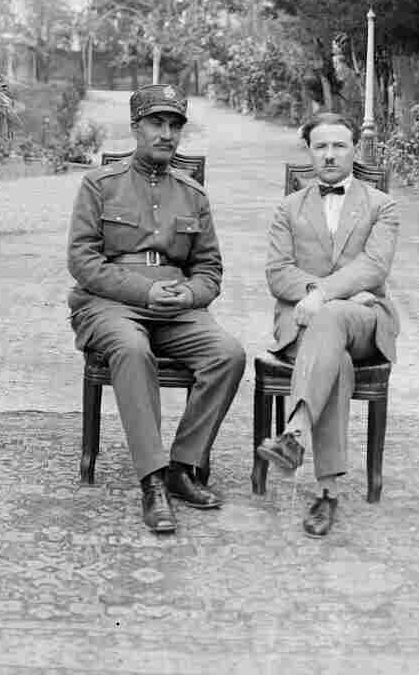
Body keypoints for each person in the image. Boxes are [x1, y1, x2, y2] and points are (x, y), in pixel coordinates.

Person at [67, 83, 246, 535]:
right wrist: (144, 292)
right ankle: (152, 480)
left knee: (227, 354)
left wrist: (191, 294)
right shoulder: (100, 184)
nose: (166, 134)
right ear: (136, 128)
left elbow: (209, 268)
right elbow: (83, 261)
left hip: (176, 305)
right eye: (156, 123)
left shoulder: (192, 194)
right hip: (110, 303)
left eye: (174, 126)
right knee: (131, 349)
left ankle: (183, 468)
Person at [257, 112, 400, 537]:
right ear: (309, 152)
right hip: (305, 324)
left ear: (356, 149)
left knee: (334, 316)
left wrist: (323, 296)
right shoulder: (289, 208)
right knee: (334, 357)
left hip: (363, 319)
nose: (330, 154)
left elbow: (374, 266)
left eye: (339, 145)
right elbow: (277, 273)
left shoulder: (381, 206)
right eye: (321, 146)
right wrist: (325, 295)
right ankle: (327, 492)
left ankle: (295, 431)